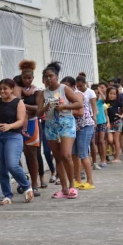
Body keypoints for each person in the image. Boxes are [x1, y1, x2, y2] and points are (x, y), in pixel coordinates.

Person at [0, 78, 34, 205]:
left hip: (13, 136)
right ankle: (7, 195)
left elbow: (21, 121)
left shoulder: (18, 102)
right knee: (1, 168)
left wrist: (9, 126)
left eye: (5, 88)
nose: (2, 91)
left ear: (11, 89)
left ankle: (27, 186)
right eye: (0, 89)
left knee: (12, 164)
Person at [37, 63, 83, 199]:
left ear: (56, 77)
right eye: (46, 77)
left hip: (66, 123)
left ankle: (72, 186)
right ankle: (63, 189)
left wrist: (64, 106)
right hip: (51, 124)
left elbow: (79, 103)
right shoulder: (43, 93)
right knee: (57, 157)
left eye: (51, 76)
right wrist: (46, 107)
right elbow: (38, 112)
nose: (49, 79)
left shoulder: (64, 88)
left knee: (66, 154)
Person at [13, 60, 42, 197]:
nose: (27, 80)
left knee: (32, 156)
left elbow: (38, 109)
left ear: (33, 78)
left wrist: (23, 106)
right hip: (18, 124)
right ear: (21, 77)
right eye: (25, 77)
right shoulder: (16, 88)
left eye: (29, 78)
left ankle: (35, 184)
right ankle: (23, 182)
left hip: (31, 123)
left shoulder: (37, 91)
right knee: (16, 156)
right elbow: (15, 103)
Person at [62, 77, 95, 190]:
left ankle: (90, 181)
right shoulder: (65, 96)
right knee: (74, 154)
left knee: (83, 154)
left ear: (73, 86)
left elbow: (80, 112)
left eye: (66, 86)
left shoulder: (77, 94)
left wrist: (65, 109)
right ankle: (78, 180)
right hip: (75, 128)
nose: (64, 88)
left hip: (85, 126)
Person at [75, 75, 100, 171]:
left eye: (81, 86)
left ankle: (94, 162)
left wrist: (94, 117)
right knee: (81, 147)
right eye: (78, 86)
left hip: (88, 119)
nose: (79, 88)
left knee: (92, 142)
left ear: (85, 84)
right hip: (79, 120)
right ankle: (82, 166)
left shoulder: (90, 92)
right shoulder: (76, 92)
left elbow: (94, 106)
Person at [105, 86, 123, 163]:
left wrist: (122, 116)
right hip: (109, 123)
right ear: (107, 93)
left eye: (114, 94)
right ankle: (113, 151)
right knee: (110, 140)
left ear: (116, 95)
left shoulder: (118, 102)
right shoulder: (105, 102)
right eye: (110, 93)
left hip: (117, 122)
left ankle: (117, 157)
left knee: (116, 140)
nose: (112, 95)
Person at [91, 84, 108, 167]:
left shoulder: (100, 101)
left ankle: (104, 159)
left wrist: (100, 91)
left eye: (97, 93)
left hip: (102, 122)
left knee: (101, 141)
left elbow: (105, 99)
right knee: (97, 142)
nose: (96, 95)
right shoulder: (91, 102)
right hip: (94, 123)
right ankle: (101, 158)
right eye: (95, 93)